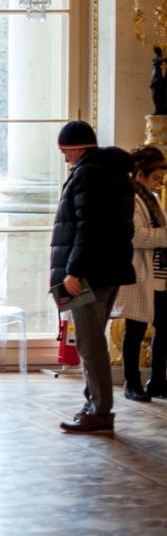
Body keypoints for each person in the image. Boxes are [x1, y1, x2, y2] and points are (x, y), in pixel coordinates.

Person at [50, 120, 135, 433]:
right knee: (92, 339)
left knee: (89, 343)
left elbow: (88, 227)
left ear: (75, 147)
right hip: (108, 269)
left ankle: (99, 412)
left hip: (89, 273)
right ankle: (93, 405)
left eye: (65, 152)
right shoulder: (115, 172)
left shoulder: (88, 173)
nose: (64, 159)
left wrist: (74, 270)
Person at [113, 146, 167, 401]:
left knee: (164, 328)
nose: (158, 184)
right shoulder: (130, 198)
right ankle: (131, 383)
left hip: (158, 274)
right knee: (134, 329)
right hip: (139, 271)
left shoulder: (151, 199)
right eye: (155, 177)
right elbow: (136, 235)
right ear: (140, 173)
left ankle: (158, 380)